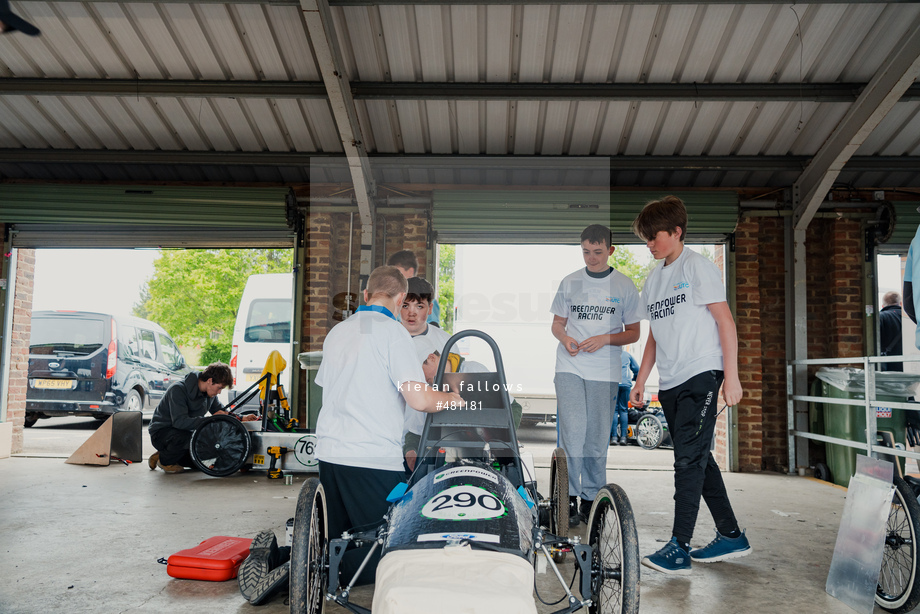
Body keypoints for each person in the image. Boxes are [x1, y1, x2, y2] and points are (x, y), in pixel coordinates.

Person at [314, 265, 464, 584]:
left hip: (329, 454)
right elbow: (419, 400)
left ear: (366, 295)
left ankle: (293, 558)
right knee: (397, 548)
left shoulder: (338, 331)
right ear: (399, 299)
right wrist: (452, 398)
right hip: (371, 458)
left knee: (339, 539)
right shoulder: (392, 332)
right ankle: (310, 570)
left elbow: (332, 388)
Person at [630, 195, 751, 575]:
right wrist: (641, 379)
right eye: (646, 238)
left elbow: (725, 323)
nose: (649, 244)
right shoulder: (653, 280)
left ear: (676, 232)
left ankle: (679, 546)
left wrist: (731, 377)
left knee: (687, 461)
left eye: (655, 236)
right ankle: (731, 535)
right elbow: (654, 335)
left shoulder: (697, 268)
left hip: (702, 374)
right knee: (698, 458)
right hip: (671, 380)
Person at [551, 224, 642, 527]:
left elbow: (633, 333)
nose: (591, 257)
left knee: (596, 437)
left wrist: (604, 339)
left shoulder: (624, 286)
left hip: (605, 369)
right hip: (571, 366)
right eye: (586, 251)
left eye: (598, 252)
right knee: (573, 434)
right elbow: (557, 324)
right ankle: (569, 498)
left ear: (611, 250)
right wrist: (565, 339)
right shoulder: (570, 282)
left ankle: (591, 497)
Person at [148, 363, 258, 474]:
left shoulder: (209, 395)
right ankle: (165, 460)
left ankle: (166, 454)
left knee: (203, 462)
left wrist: (242, 418)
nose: (219, 392)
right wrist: (209, 420)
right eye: (219, 388)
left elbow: (221, 412)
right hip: (162, 433)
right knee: (185, 438)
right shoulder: (178, 390)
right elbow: (179, 422)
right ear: (210, 381)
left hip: (187, 434)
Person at [388, 249, 441, 327]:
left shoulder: (427, 297)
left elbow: (434, 327)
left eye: (397, 272)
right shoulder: (393, 298)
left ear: (410, 272)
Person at [611, 350, 639, 445]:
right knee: (624, 410)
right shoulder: (627, 355)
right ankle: (623, 438)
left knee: (614, 410)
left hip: (613, 383)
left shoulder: (610, 354)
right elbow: (637, 369)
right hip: (626, 384)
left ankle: (614, 437)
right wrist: (634, 378)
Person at [879, 291, 903, 371]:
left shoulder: (880, 317)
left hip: (888, 366)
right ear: (901, 303)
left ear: (882, 305)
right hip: (909, 362)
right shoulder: (910, 318)